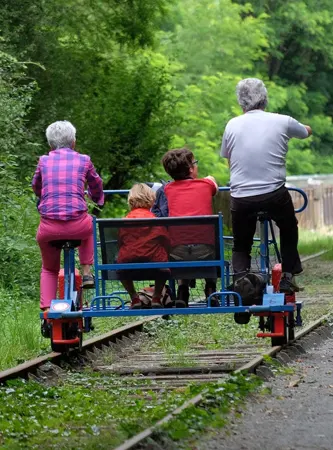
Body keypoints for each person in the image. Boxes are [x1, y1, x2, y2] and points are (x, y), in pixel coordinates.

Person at [221, 78, 312, 295]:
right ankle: (288, 276)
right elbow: (305, 132)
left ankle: (241, 280)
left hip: (242, 197)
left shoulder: (232, 124)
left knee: (241, 243)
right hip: (274, 195)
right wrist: (307, 129)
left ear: (241, 103)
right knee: (289, 227)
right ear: (265, 99)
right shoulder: (283, 121)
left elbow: (229, 159)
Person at [32, 120, 104, 311]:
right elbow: (96, 184)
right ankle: (87, 272)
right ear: (73, 142)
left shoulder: (43, 161)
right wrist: (96, 198)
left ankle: (47, 310)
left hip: (49, 228)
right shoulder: (84, 160)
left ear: (50, 145)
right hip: (77, 225)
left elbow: (36, 186)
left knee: (49, 268)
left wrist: (42, 196)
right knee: (89, 224)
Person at [153, 148, 219, 308]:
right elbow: (214, 185)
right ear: (190, 169)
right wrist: (209, 178)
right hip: (206, 253)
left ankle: (183, 290)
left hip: (176, 254)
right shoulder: (206, 184)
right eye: (195, 163)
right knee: (212, 240)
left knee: (181, 240)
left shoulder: (167, 189)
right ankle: (211, 287)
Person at [117, 183, 170, 309]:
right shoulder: (156, 220)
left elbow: (120, 241)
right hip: (156, 265)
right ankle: (157, 297)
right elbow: (165, 240)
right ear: (151, 200)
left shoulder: (124, 220)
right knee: (164, 262)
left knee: (121, 260)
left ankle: (134, 298)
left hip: (128, 266)